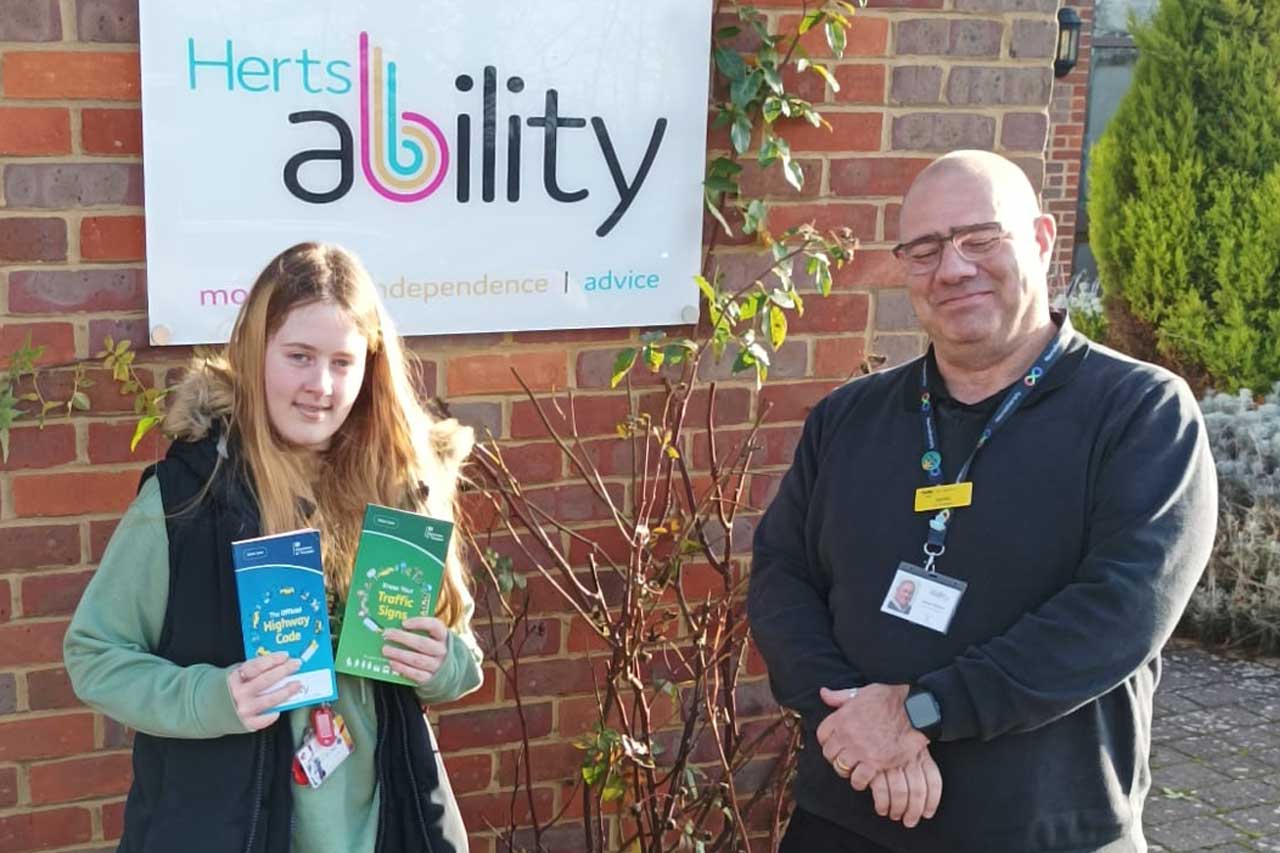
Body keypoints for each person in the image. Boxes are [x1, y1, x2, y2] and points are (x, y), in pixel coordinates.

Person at [748, 150, 1216, 852]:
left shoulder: (1141, 413)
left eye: (980, 238)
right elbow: (781, 576)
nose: (954, 267)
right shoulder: (848, 418)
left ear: (1042, 238)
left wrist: (920, 711)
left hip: (1045, 829)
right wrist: (852, 721)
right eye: (927, 248)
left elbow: (1120, 610)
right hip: (844, 814)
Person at [65, 242, 484, 853]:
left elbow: (461, 650)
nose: (321, 385)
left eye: (343, 361)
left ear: (372, 366)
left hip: (387, 826)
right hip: (229, 826)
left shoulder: (401, 490)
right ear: (254, 353)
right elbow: (94, 656)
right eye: (298, 356)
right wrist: (213, 698)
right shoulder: (187, 499)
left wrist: (440, 663)